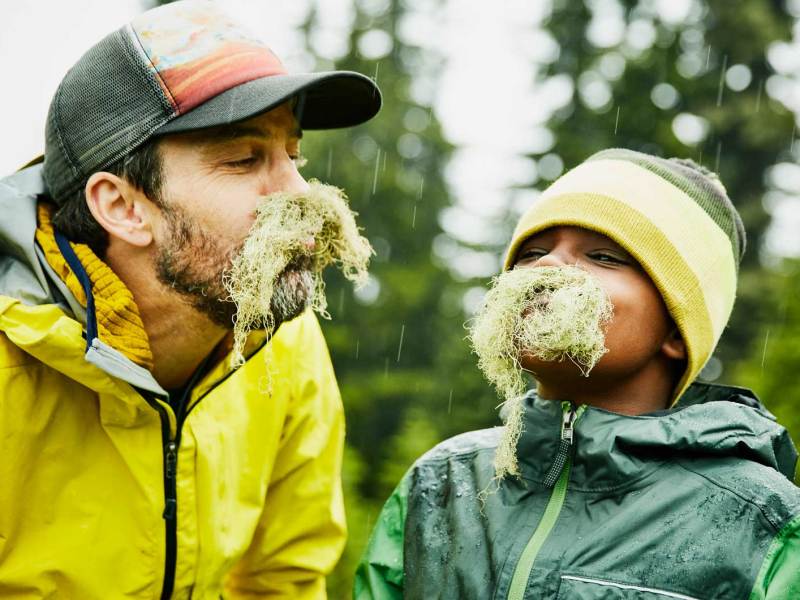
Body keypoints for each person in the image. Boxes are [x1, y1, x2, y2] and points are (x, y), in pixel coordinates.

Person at [0, 1, 381, 598]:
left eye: (293, 155)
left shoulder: (284, 346)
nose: (300, 192)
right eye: (243, 159)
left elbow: (282, 580)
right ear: (123, 207)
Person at [355, 149, 800, 599]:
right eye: (532, 252)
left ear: (676, 332)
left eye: (603, 256)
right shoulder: (441, 481)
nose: (546, 266)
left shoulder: (765, 523)